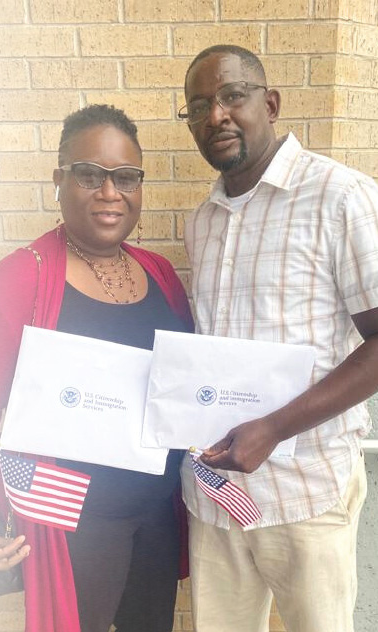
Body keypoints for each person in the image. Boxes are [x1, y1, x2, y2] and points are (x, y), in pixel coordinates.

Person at [0, 104, 194, 632]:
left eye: (126, 177)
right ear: (60, 181)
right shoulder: (20, 279)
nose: (110, 192)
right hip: (75, 521)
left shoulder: (160, 274)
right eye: (89, 175)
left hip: (155, 515)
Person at [180, 45, 376, 632]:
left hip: (305, 495)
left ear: (269, 103)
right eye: (198, 107)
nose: (216, 115)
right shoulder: (203, 221)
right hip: (215, 495)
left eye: (232, 96)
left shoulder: (340, 197)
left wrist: (274, 428)